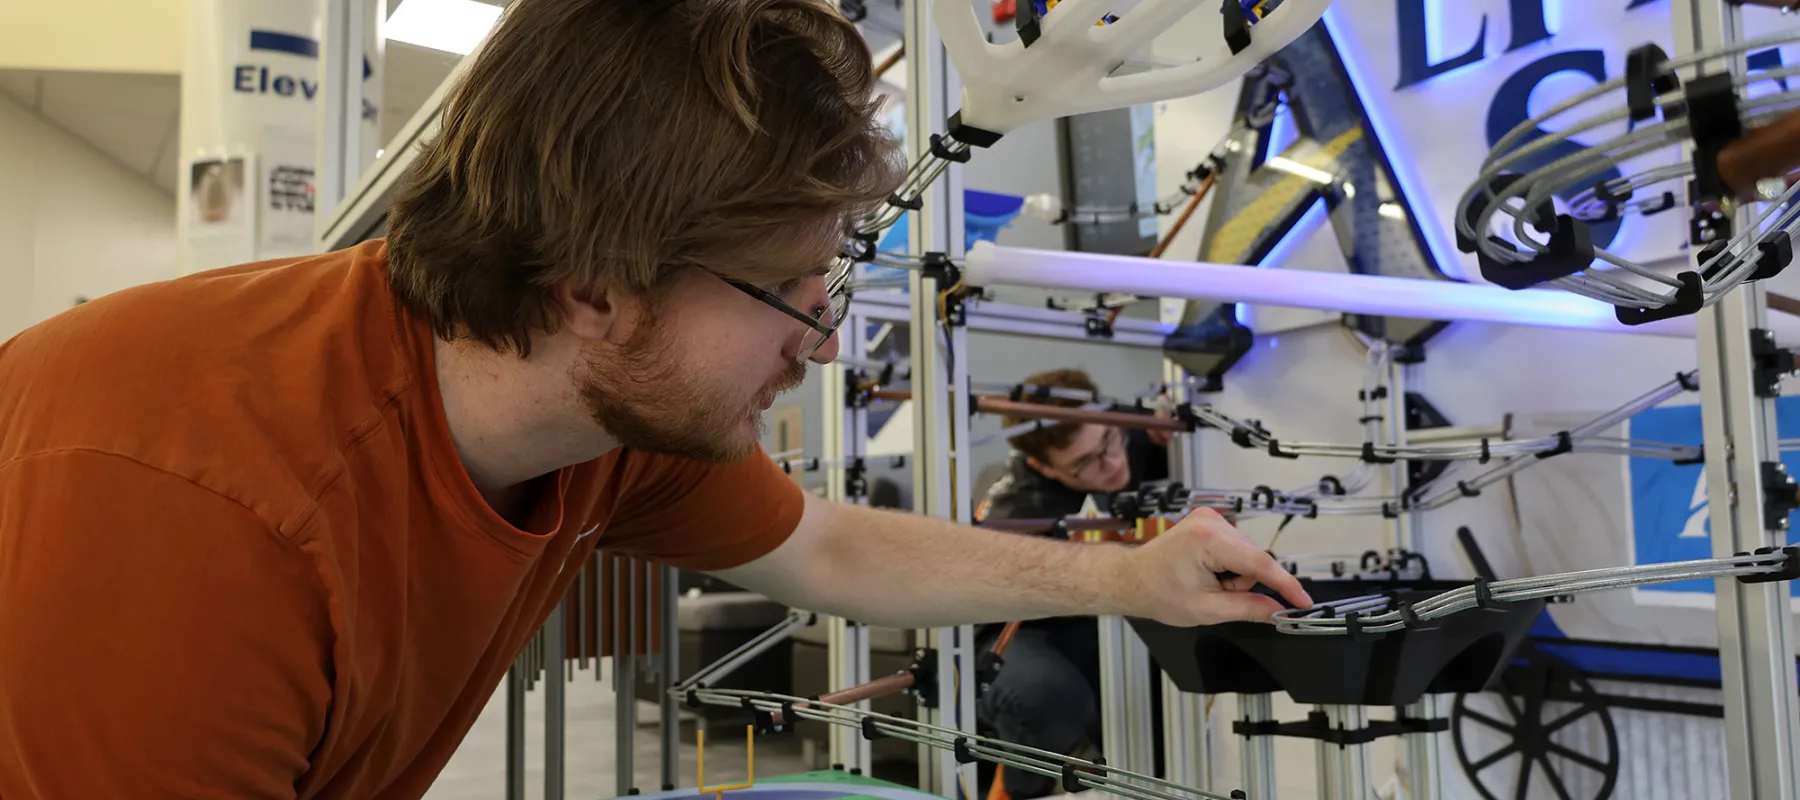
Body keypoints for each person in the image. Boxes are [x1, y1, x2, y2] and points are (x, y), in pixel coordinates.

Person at [0, 1, 1309, 797]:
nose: (819, 346)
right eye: (787, 291)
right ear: (594, 286)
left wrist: (1129, 577)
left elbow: (826, 546)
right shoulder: (199, 506)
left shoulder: (608, 417)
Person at [974, 368, 1173, 800]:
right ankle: (1022, 785)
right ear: (1041, 465)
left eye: (1110, 441)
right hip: (1020, 630)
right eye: (1085, 463)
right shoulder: (1018, 515)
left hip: (1099, 612)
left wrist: (1167, 431)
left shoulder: (1115, 429)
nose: (1114, 464)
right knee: (1045, 696)